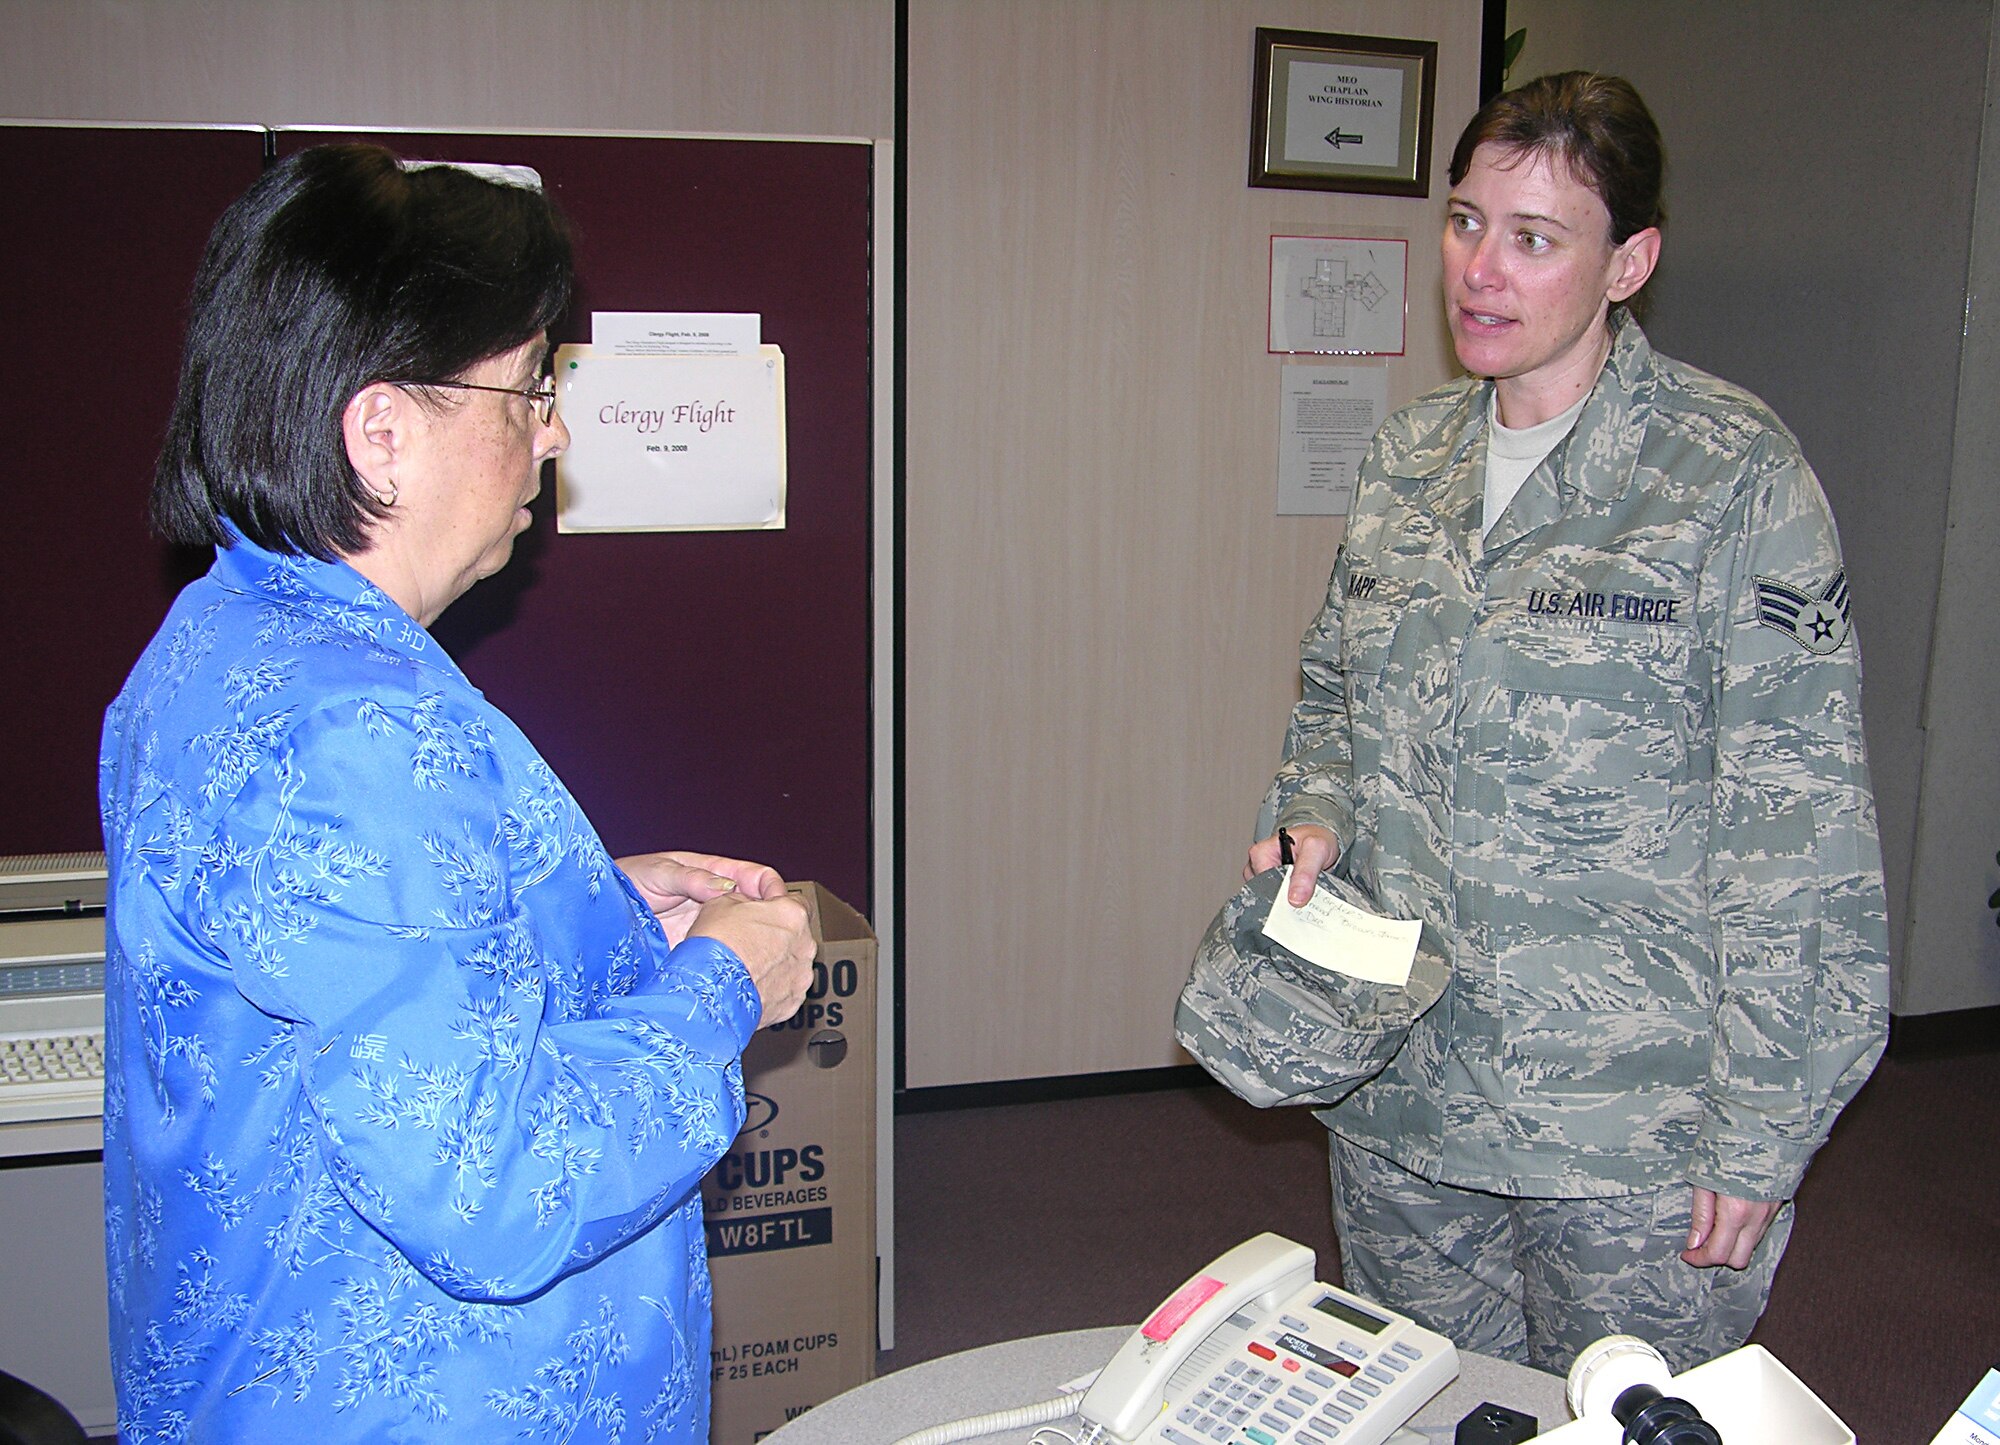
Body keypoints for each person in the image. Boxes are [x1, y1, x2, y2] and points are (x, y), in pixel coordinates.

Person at [98, 144, 816, 1442]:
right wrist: (722, 986)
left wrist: (586, 908)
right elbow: (494, 1187)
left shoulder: (222, 641)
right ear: (382, 431)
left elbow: (338, 979)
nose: (555, 428)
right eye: (531, 385)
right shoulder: (355, 732)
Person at [1243, 72, 1888, 1373]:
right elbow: (1333, 695)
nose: (1481, 270)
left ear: (1627, 263)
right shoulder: (1409, 460)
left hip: (1630, 1131)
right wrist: (1312, 810)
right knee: (1434, 1409)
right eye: (1466, 222)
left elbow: (1802, 833)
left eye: (1534, 238)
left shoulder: (1731, 476)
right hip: (1404, 1098)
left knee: (1622, 1422)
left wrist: (1764, 1126)